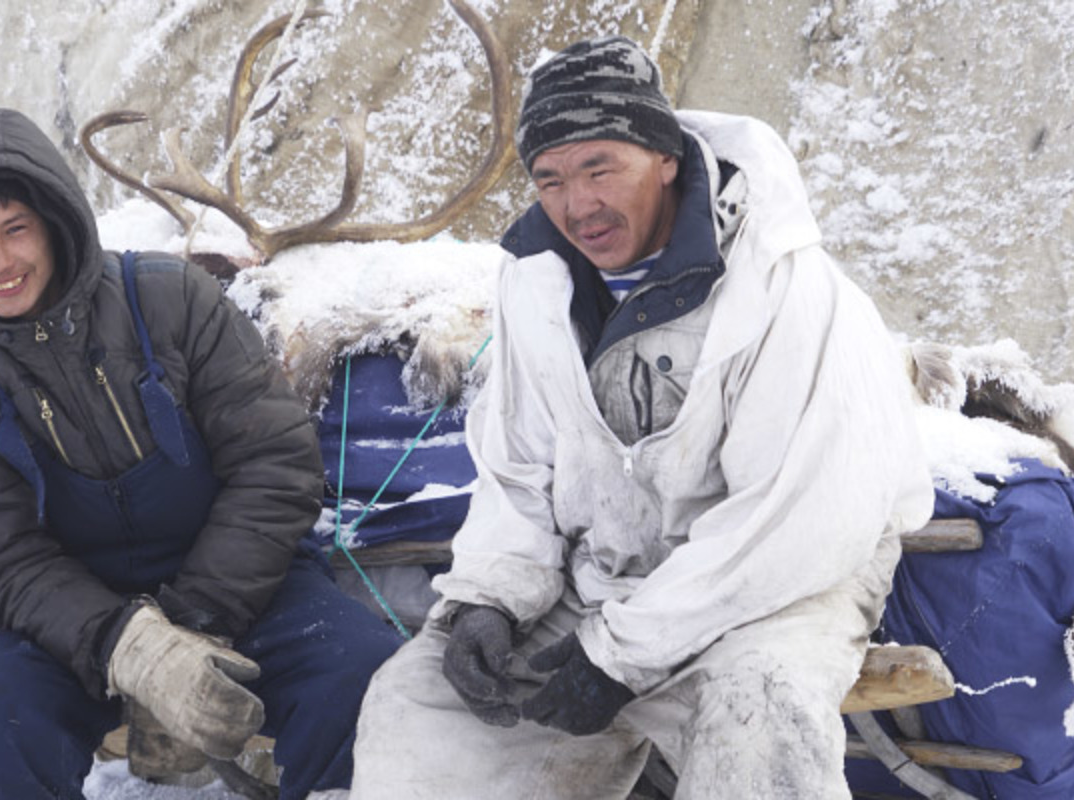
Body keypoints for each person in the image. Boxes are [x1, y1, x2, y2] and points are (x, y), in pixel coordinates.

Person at [349, 36, 935, 799]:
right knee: (422, 701)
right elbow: (517, 465)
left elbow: (796, 523)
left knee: (761, 721)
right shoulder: (534, 281)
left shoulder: (785, 286)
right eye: (550, 179)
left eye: (601, 168)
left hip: (776, 590)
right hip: (606, 575)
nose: (577, 205)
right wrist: (491, 596)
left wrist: (619, 656)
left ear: (664, 157)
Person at [0, 107, 402, 800]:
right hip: (75, 625)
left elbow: (276, 464)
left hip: (246, 587)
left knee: (370, 682)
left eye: (15, 229)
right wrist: (133, 648)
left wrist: (196, 622)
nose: (0, 262)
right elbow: (0, 563)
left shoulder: (170, 300)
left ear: (54, 220)